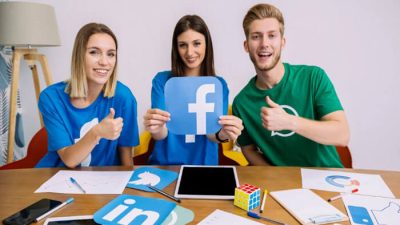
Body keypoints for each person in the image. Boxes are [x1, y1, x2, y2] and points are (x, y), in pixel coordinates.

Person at [232, 4, 350, 167]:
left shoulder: (313, 77)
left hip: (328, 180)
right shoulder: (242, 103)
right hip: (283, 189)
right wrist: (276, 179)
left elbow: (342, 135)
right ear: (246, 46)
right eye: (256, 36)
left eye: (272, 35)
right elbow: (248, 149)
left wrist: (289, 122)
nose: (264, 43)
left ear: (282, 42)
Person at [143, 15, 243, 165]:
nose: (190, 52)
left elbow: (212, 134)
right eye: (183, 45)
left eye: (196, 44)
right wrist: (154, 127)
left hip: (203, 166)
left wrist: (224, 134)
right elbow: (161, 134)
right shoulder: (162, 81)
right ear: (176, 48)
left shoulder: (218, 85)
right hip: (166, 165)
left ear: (206, 45)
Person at [36, 23, 139, 168]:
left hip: (102, 182)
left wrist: (129, 187)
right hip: (57, 178)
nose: (104, 62)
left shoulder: (124, 97)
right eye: (94, 52)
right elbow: (69, 160)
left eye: (111, 54)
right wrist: (96, 132)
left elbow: (126, 156)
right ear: (79, 56)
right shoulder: (51, 98)